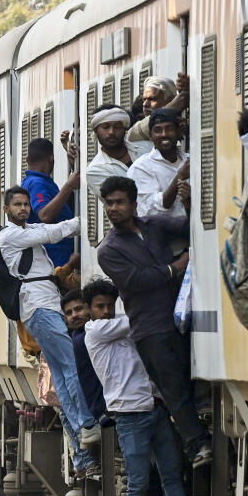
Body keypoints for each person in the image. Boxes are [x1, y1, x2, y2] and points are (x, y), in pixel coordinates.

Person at [82, 278, 205, 496]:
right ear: (89, 311)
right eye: (100, 307)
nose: (107, 311)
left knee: (171, 474)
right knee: (138, 484)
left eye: (110, 306)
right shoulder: (95, 331)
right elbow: (139, 319)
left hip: (154, 408)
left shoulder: (122, 327)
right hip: (129, 416)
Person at [96, 176, 212, 467]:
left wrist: (188, 203)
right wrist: (175, 268)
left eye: (119, 202)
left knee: (190, 381)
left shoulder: (154, 225)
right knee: (173, 389)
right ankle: (198, 446)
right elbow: (136, 281)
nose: (113, 208)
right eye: (109, 203)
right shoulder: (108, 250)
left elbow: (190, 228)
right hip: (150, 328)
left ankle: (198, 438)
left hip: (181, 319)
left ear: (134, 205)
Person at [0, 186, 100, 452]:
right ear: (6, 209)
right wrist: (86, 221)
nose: (23, 208)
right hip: (40, 306)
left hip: (39, 305)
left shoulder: (25, 231)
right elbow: (51, 233)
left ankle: (80, 430)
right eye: (17, 204)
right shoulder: (9, 235)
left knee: (60, 371)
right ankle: (87, 424)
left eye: (26, 204)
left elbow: (42, 231)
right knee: (71, 366)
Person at [61, 290, 108, 479]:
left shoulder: (89, 334)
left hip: (100, 401)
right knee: (64, 409)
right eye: (69, 313)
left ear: (88, 308)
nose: (75, 315)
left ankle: (84, 461)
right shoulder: (74, 338)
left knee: (66, 409)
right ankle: (85, 461)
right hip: (93, 402)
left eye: (79, 309)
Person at [21, 139, 79, 268]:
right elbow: (44, 215)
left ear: (27, 159)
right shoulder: (37, 183)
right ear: (51, 159)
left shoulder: (33, 182)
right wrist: (69, 186)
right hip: (55, 260)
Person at [126, 109, 190, 220]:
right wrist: (179, 177)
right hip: (162, 236)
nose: (164, 134)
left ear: (178, 132)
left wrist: (188, 200)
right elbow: (151, 210)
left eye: (169, 129)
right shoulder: (141, 167)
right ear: (150, 136)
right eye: (158, 130)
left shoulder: (189, 161)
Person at [86, 105, 150, 211]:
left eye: (117, 127)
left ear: (124, 129)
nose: (111, 132)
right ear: (96, 132)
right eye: (106, 127)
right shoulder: (95, 170)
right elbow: (126, 202)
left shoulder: (145, 148)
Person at [126, 74, 189, 142]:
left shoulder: (183, 122)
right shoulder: (141, 130)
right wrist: (168, 110)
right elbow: (131, 135)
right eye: (144, 99)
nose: (145, 104)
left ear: (170, 100)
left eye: (152, 99)